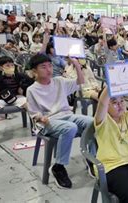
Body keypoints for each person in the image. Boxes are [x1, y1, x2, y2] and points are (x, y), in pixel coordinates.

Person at [26, 53, 94, 189]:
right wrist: (41, 118)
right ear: (34, 71)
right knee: (70, 128)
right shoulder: (32, 90)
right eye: (43, 67)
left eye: (50, 66)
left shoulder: (59, 81)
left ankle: (91, 158)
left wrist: (76, 64)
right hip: (47, 122)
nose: (48, 69)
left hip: (66, 115)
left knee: (92, 122)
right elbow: (34, 113)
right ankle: (58, 166)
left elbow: (80, 82)